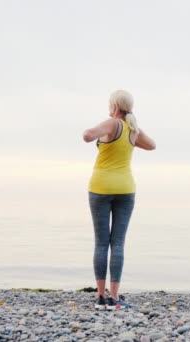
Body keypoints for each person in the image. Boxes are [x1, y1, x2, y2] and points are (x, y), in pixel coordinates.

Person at [82, 90, 156, 310]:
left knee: (101, 242)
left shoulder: (111, 124)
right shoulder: (133, 129)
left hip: (100, 187)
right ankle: (114, 298)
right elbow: (151, 145)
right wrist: (131, 140)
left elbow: (86, 135)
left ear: (114, 105)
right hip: (125, 188)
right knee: (118, 244)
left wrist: (101, 134)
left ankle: (101, 298)